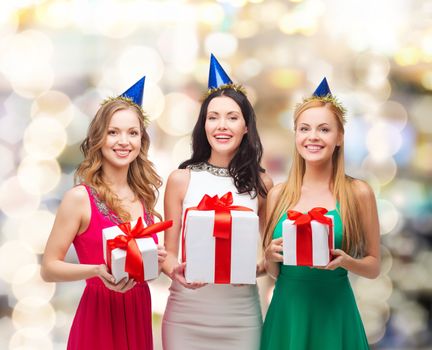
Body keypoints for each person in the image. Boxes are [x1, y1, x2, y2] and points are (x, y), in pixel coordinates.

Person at [41, 77, 167, 350]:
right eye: (113, 132)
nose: (124, 141)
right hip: (98, 315)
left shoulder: (144, 196)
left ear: (141, 140)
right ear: (99, 138)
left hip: (137, 310)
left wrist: (154, 262)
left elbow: (139, 266)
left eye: (132, 133)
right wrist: (96, 271)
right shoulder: (79, 199)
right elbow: (49, 268)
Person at [161, 54, 273, 350]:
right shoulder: (180, 179)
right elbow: (168, 254)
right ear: (204, 125)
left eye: (232, 117)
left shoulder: (262, 185)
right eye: (213, 117)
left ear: (246, 126)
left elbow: (271, 259)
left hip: (240, 316)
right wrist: (176, 270)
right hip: (186, 315)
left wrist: (256, 269)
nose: (221, 125)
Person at [260, 78, 380, 350]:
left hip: (335, 312)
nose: (312, 136)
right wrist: (268, 257)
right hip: (288, 313)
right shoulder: (278, 195)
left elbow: (374, 266)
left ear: (339, 138)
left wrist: (347, 261)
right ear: (296, 136)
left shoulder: (358, 193)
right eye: (304, 129)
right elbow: (276, 273)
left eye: (324, 129)